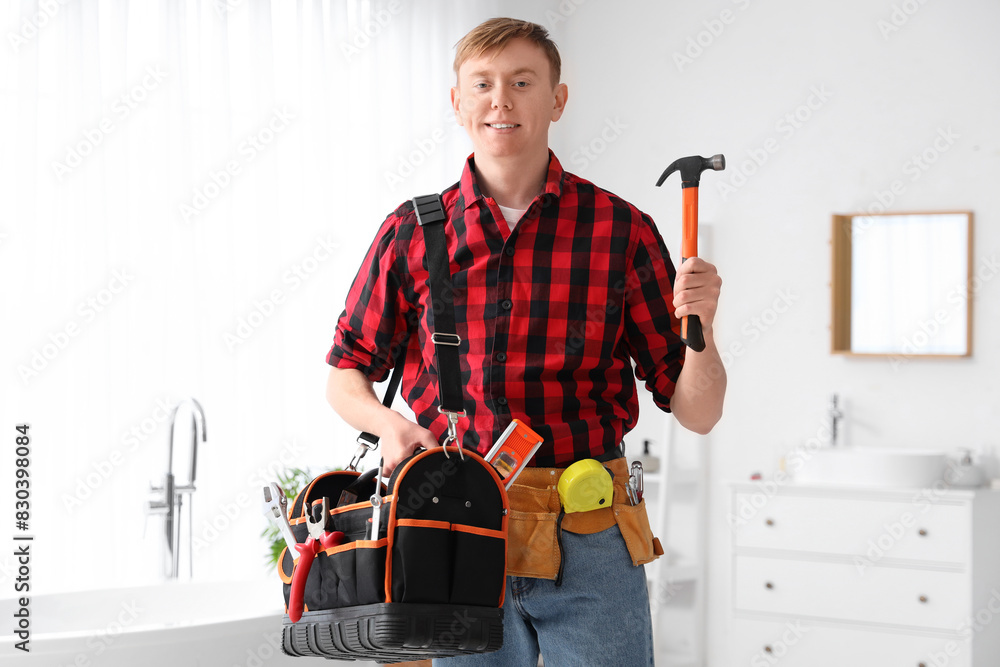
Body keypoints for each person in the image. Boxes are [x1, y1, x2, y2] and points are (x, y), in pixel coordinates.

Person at [325, 17, 725, 666]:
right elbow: (345, 375)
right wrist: (389, 427)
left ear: (557, 99)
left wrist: (702, 328)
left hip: (590, 529)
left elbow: (700, 413)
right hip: (453, 532)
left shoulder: (620, 230)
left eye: (521, 80)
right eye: (481, 83)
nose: (500, 99)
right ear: (458, 103)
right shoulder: (410, 232)